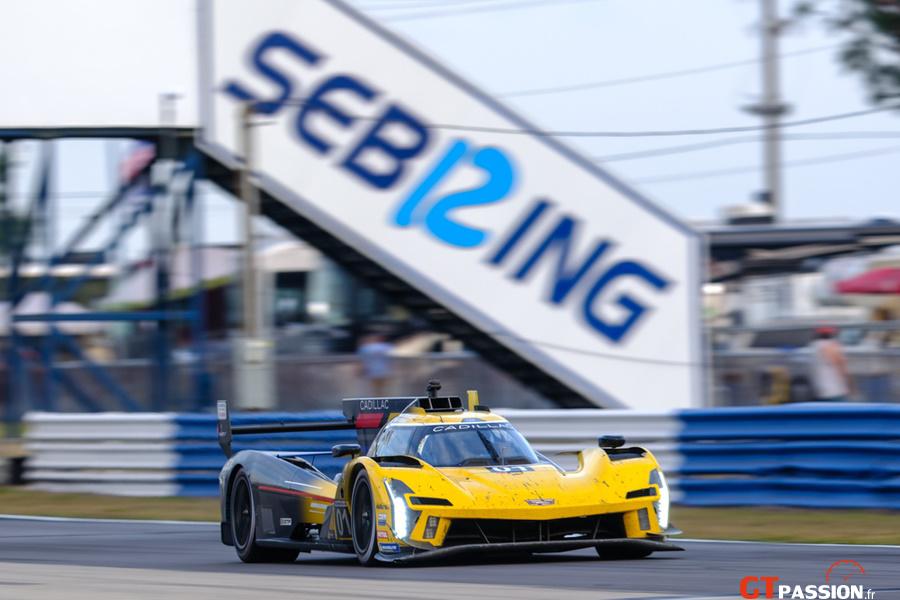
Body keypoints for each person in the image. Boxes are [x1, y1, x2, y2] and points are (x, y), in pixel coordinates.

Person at [809, 326, 854, 402]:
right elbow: (842, 368)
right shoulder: (831, 346)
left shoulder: (813, 346)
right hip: (835, 391)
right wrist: (851, 386)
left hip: (819, 392)